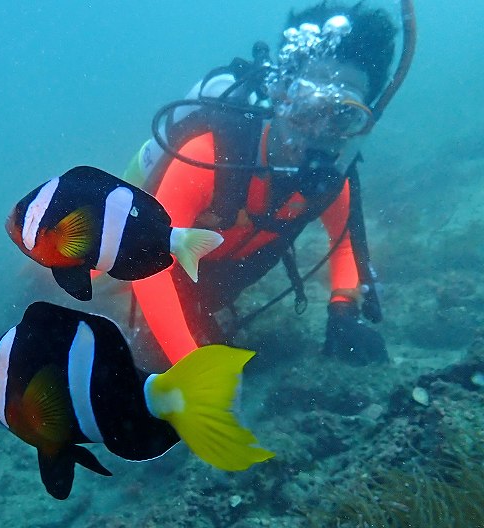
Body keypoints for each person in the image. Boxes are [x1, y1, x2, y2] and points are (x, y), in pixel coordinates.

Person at [123, 1, 415, 367]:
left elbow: (343, 246)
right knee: (64, 279)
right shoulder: (208, 157)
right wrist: (191, 366)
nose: (320, 130)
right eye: (308, 106)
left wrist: (343, 308)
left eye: (344, 114)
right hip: (133, 255)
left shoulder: (331, 183)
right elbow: (145, 262)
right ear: (280, 94)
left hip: (207, 281)